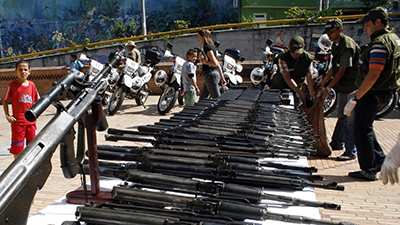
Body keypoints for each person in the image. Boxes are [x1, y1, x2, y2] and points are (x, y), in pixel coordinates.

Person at [344, 7, 400, 181]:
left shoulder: (380, 43)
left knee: (361, 130)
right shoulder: (394, 39)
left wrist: (356, 97)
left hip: (373, 93)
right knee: (366, 127)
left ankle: (368, 169)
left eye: (367, 25)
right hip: (384, 91)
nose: (365, 29)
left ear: (378, 22)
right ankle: (379, 161)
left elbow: (374, 73)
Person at [318, 18, 361, 161]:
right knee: (343, 115)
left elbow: (342, 69)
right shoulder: (336, 45)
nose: (329, 35)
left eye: (332, 32)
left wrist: (328, 87)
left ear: (340, 30)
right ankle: (338, 142)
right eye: (327, 32)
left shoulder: (347, 45)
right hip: (344, 87)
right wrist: (322, 82)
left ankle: (351, 151)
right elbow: (334, 68)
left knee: (351, 120)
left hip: (353, 87)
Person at [3, 60, 40, 159]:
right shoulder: (12, 86)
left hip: (31, 123)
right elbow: (5, 100)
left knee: (32, 147)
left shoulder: (32, 85)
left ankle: (30, 167)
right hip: (18, 123)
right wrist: (7, 115)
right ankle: (17, 168)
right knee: (17, 148)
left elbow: (38, 101)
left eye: (25, 69)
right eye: (20, 70)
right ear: (16, 71)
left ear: (29, 71)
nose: (23, 72)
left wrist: (36, 114)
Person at [271, 36, 316, 108]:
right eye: (293, 52)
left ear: (304, 47)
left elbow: (310, 78)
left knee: (297, 108)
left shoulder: (308, 59)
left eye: (298, 52)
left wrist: (313, 96)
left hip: (297, 86)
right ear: (289, 47)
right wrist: (300, 92)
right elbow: (287, 78)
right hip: (280, 85)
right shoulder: (283, 57)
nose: (295, 54)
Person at [197, 29, 227, 100]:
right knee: (202, 100)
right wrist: (222, 77)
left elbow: (215, 63)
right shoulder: (210, 47)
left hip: (210, 75)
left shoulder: (207, 48)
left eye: (199, 37)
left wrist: (203, 61)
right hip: (210, 75)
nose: (198, 39)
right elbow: (218, 64)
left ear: (203, 37)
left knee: (216, 99)